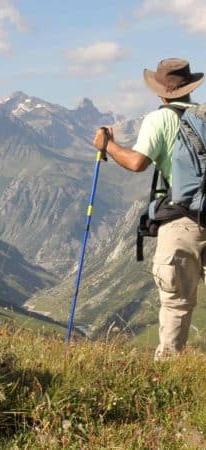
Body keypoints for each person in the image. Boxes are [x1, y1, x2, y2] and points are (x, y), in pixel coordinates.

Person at [92, 58, 205, 360]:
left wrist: (107, 145)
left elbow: (136, 163)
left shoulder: (160, 119)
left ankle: (168, 374)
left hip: (181, 222)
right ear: (190, 88)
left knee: (176, 304)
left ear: (160, 92)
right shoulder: (203, 117)